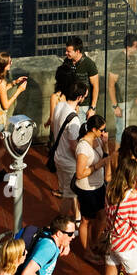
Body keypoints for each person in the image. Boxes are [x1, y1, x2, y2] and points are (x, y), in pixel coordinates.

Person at [73, 114, 112, 255]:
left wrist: (106, 145)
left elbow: (105, 158)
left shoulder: (98, 141)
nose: (104, 132)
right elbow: (79, 174)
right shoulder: (83, 148)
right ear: (94, 129)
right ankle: (86, 251)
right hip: (87, 189)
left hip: (98, 185)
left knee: (101, 216)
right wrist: (97, 166)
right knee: (86, 220)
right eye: (102, 130)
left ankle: (94, 242)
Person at [50, 79, 86, 218]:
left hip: (58, 156)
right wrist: (82, 158)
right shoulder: (74, 120)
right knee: (69, 194)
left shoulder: (60, 106)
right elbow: (73, 145)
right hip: (69, 161)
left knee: (69, 193)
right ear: (79, 98)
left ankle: (76, 219)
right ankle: (61, 220)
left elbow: (54, 126)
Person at [47, 36, 99, 129]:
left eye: (69, 51)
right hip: (69, 103)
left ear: (77, 51)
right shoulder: (67, 62)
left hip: (83, 105)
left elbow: (95, 86)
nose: (66, 53)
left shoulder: (89, 64)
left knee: (79, 130)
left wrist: (92, 108)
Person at [107, 32, 137, 145]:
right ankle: (118, 160)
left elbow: (134, 79)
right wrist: (115, 106)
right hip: (121, 103)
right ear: (128, 47)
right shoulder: (118, 61)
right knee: (121, 133)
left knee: (129, 133)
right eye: (136, 46)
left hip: (131, 100)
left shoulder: (133, 59)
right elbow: (111, 85)